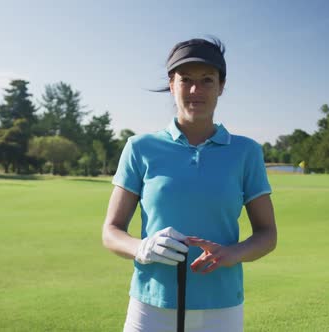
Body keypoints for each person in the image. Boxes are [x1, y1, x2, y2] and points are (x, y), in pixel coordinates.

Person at [102, 37, 277, 332]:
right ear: (172, 84)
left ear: (221, 86)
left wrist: (233, 253)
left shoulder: (246, 152)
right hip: (151, 305)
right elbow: (111, 231)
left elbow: (267, 233)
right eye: (186, 80)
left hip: (220, 305)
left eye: (207, 80)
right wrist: (141, 247)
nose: (196, 90)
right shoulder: (139, 147)